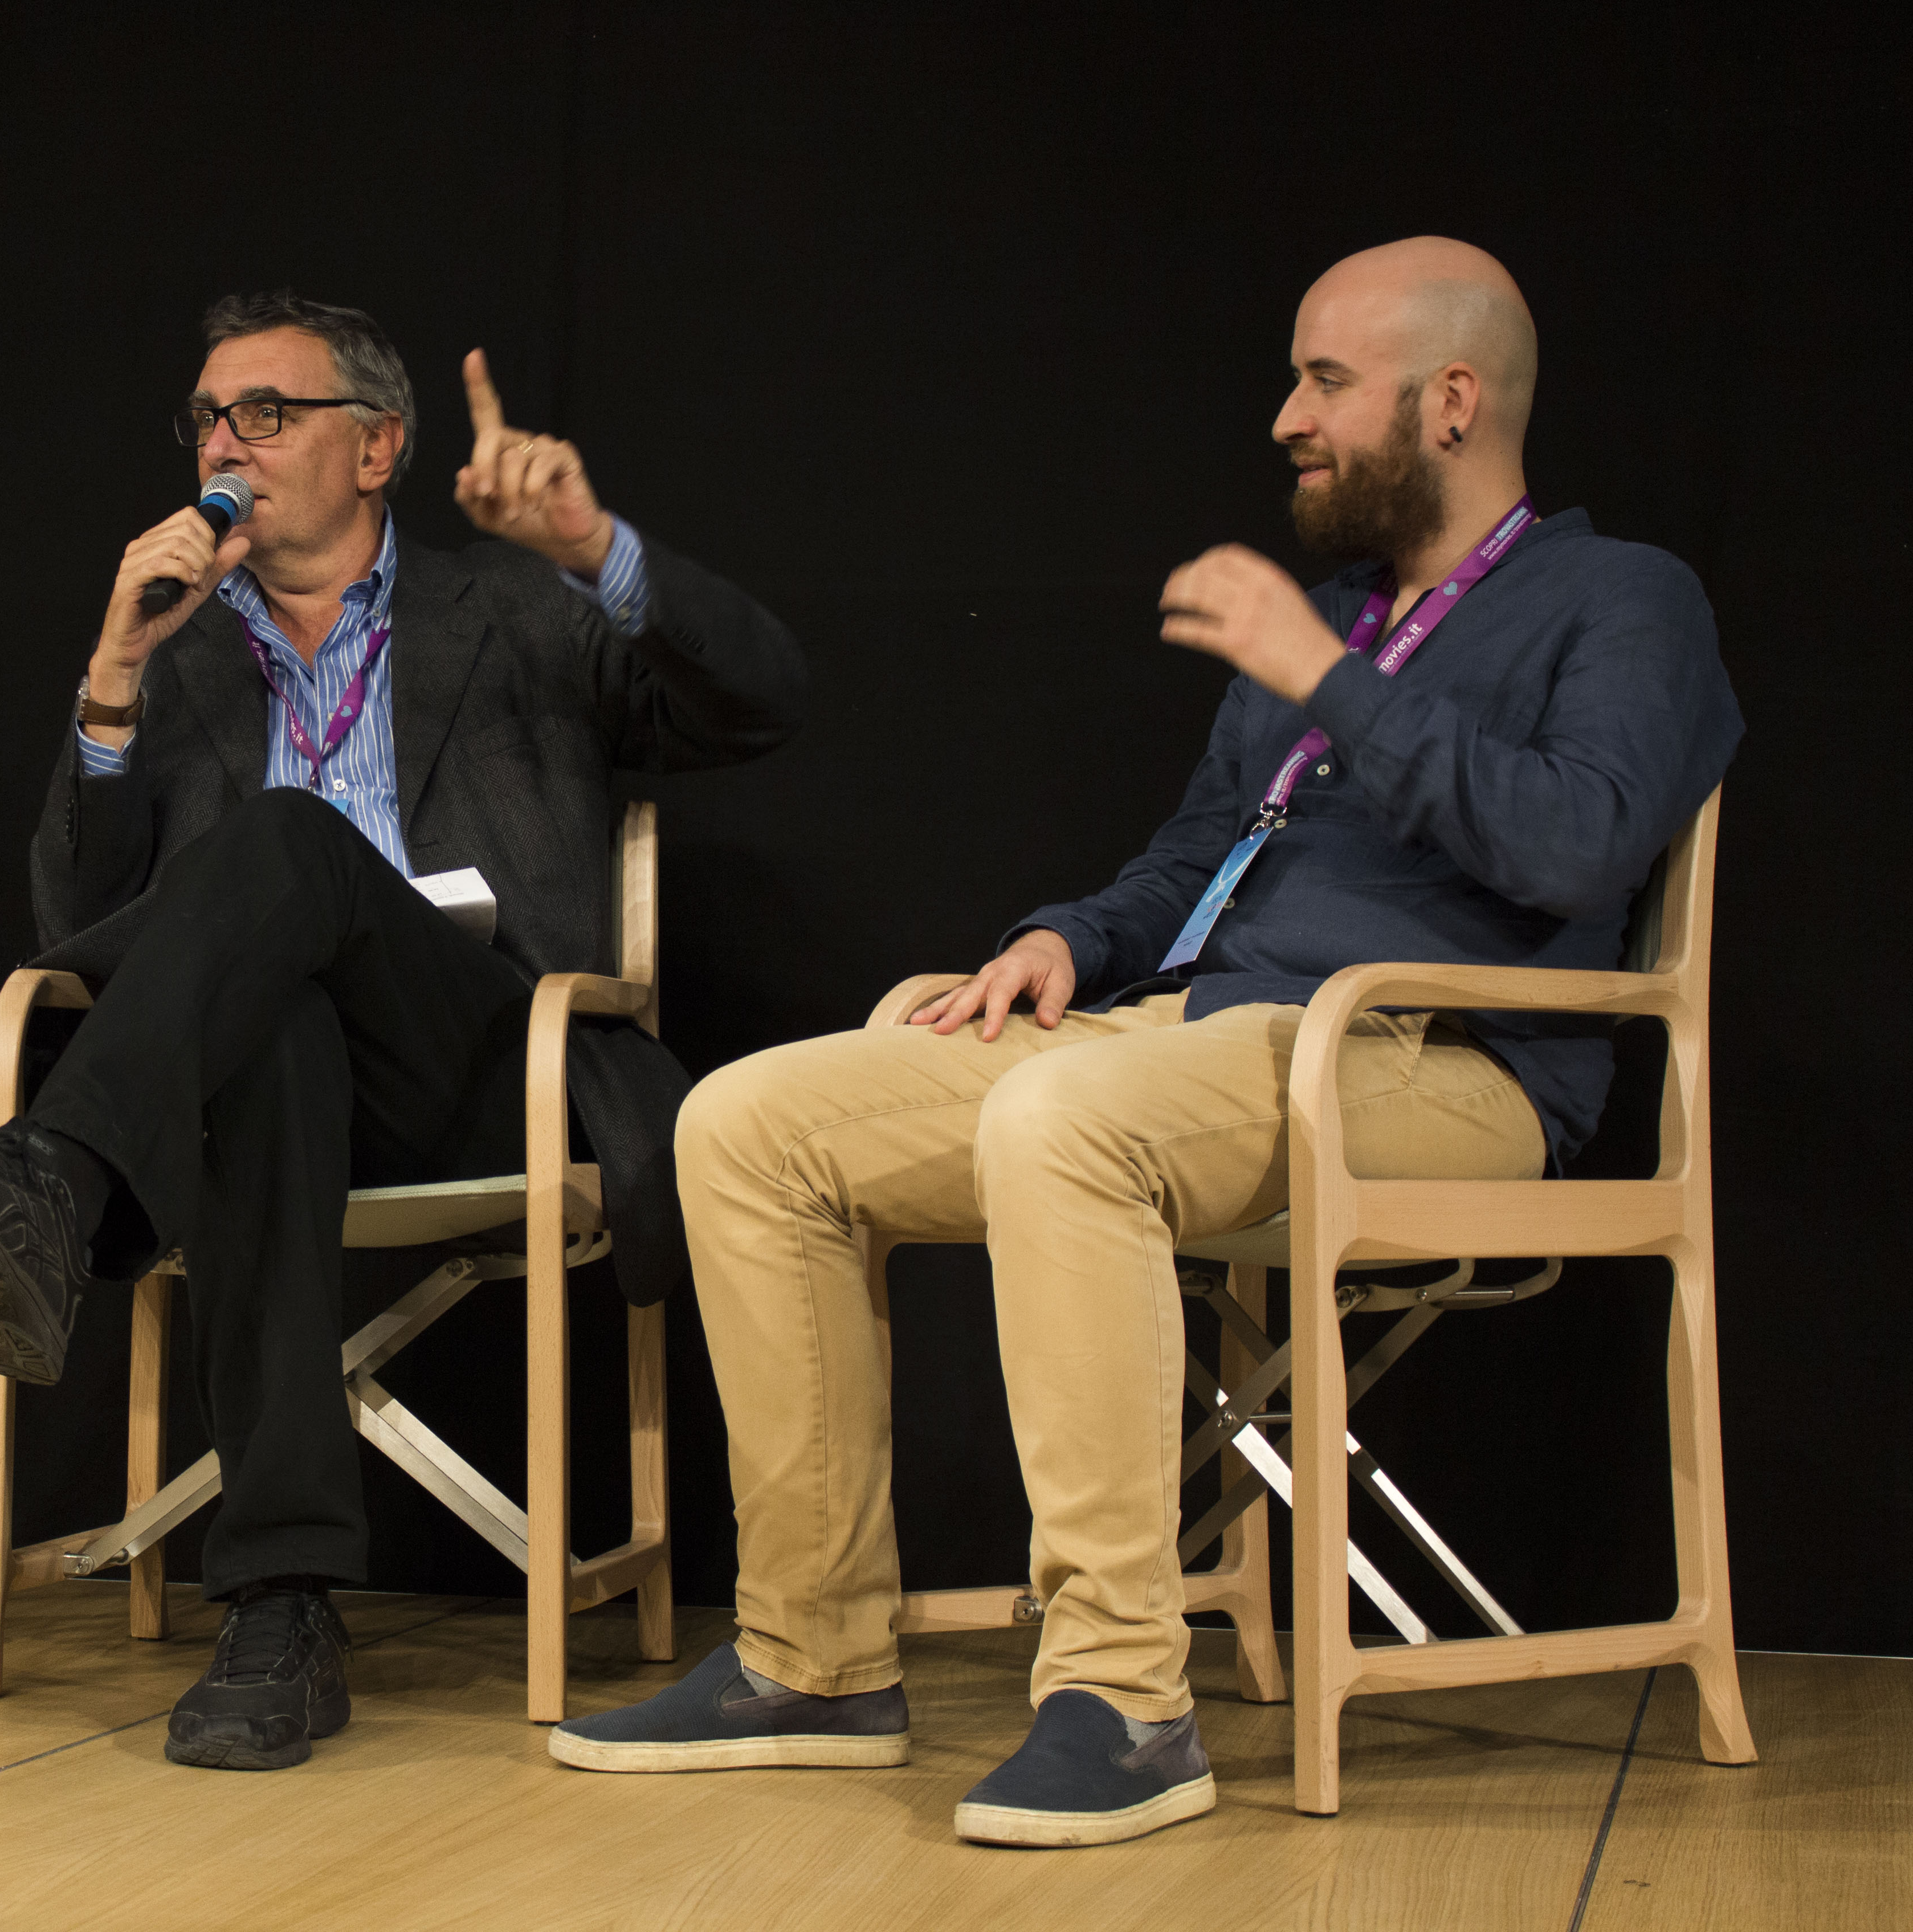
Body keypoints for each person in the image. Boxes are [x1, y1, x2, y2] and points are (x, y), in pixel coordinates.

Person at [546, 239, 1741, 1845]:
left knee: (1070, 1122)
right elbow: (1194, 860)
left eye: (1325, 379)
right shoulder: (1328, 622)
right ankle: (815, 1659)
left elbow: (1578, 844)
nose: (1285, 419)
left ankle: (1121, 1701)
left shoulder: (1623, 599)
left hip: (1441, 1063)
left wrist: (1334, 682)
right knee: (753, 1125)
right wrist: (1062, 942)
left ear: (1452, 401)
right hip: (1195, 1038)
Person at [0, 291, 807, 1771]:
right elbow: (75, 927)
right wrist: (109, 680)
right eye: (211, 419)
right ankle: (280, 1604)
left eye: (265, 414)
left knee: (292, 839)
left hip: (501, 1061)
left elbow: (764, 699)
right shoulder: (175, 659)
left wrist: (589, 548)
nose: (226, 444)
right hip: (269, 1086)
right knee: (276, 1036)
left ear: (379, 449)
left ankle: (56, 1187)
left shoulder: (519, 611)